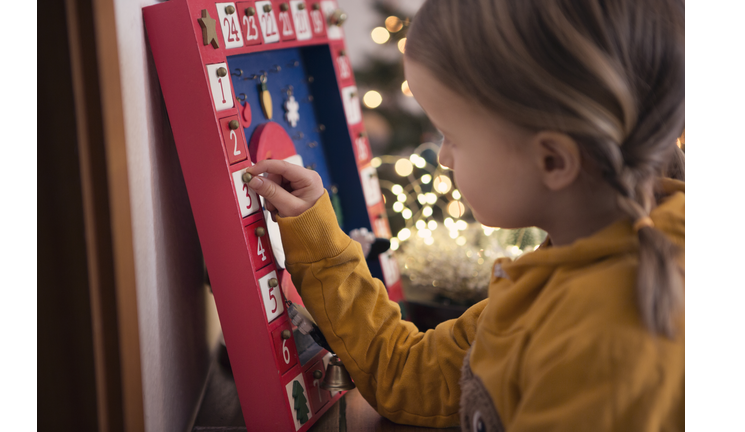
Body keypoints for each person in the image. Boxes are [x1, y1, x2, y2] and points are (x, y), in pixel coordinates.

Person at [245, 0, 685, 430]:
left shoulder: (601, 344)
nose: (443, 158)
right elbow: (411, 374)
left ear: (553, 160)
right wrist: (317, 238)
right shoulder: (561, 269)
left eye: (452, 136)